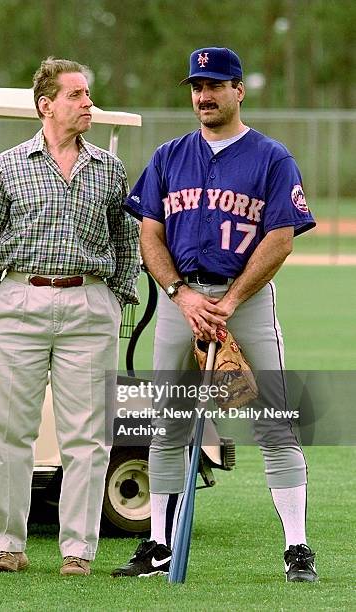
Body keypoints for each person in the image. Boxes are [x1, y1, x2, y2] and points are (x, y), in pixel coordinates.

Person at [111, 47, 318, 582]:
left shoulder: (271, 157)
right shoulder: (169, 156)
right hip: (183, 303)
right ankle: (157, 544)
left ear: (239, 89)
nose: (204, 95)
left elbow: (280, 237)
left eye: (215, 85)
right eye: (196, 86)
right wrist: (180, 293)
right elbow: (149, 234)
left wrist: (228, 302)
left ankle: (297, 549)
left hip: (242, 302)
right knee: (167, 428)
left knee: (274, 422)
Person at [0, 57, 140, 576]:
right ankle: (9, 546)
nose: (88, 103)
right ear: (47, 105)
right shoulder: (7, 165)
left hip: (88, 305)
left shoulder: (109, 169)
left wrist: (114, 295)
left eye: (88, 95)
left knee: (87, 439)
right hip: (17, 304)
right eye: (77, 95)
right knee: (11, 434)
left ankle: (77, 553)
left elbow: (125, 238)